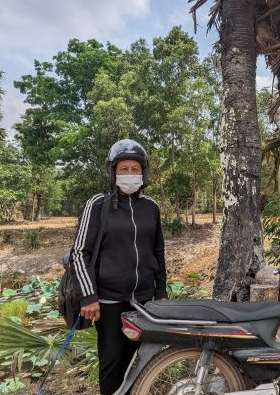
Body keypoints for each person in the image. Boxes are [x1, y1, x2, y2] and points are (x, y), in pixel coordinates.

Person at [69, 139, 167, 395]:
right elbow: (80, 252)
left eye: (135, 169)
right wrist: (88, 296)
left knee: (140, 364)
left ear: (143, 173)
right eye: (124, 169)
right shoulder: (98, 204)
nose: (130, 175)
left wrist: (162, 293)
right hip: (109, 302)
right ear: (112, 172)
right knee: (112, 365)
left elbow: (158, 252)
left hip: (145, 302)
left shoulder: (151, 207)